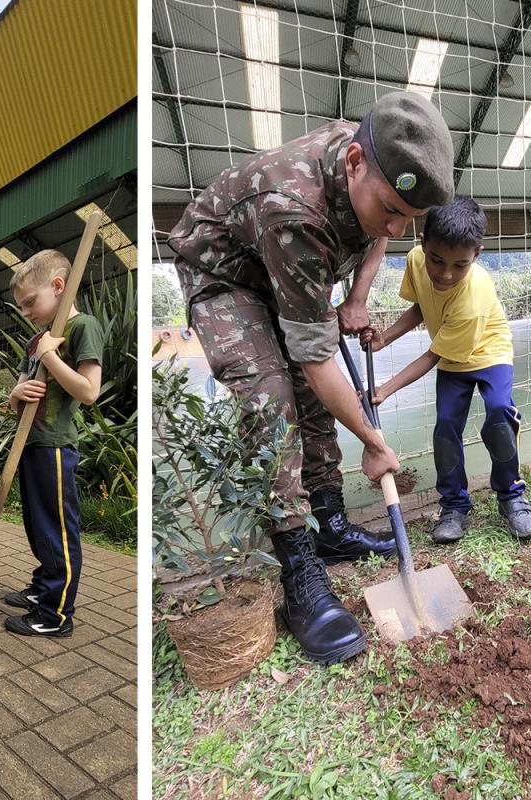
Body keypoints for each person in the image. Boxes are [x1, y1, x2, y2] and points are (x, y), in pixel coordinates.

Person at [168, 90, 455, 665]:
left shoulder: (382, 154)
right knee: (273, 396)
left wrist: (358, 295)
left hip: (294, 273)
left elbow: (377, 232)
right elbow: (316, 361)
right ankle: (299, 563)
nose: (399, 230)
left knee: (314, 399)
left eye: (412, 218)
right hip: (228, 275)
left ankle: (329, 526)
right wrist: (374, 445)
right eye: (393, 212)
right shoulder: (293, 209)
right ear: (353, 165)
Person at [361, 196, 531, 542]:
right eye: (436, 260)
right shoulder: (416, 263)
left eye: (460, 265)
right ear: (422, 244)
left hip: (489, 352)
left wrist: (385, 389)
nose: (445, 274)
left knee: (500, 414)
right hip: (452, 353)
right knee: (446, 427)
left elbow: (431, 357)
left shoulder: (473, 299)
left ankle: (512, 496)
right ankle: (454, 505)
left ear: (477, 255)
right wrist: (385, 338)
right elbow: (422, 306)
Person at [3, 250, 103, 638]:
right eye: (22, 305)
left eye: (31, 302)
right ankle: (44, 586)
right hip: (31, 442)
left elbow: (89, 391)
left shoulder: (82, 328)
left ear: (59, 286)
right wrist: (14, 395)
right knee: (37, 526)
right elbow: (25, 393)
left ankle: (56, 614)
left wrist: (51, 355)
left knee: (58, 530)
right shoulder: (38, 338)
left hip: (55, 446)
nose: (27, 311)